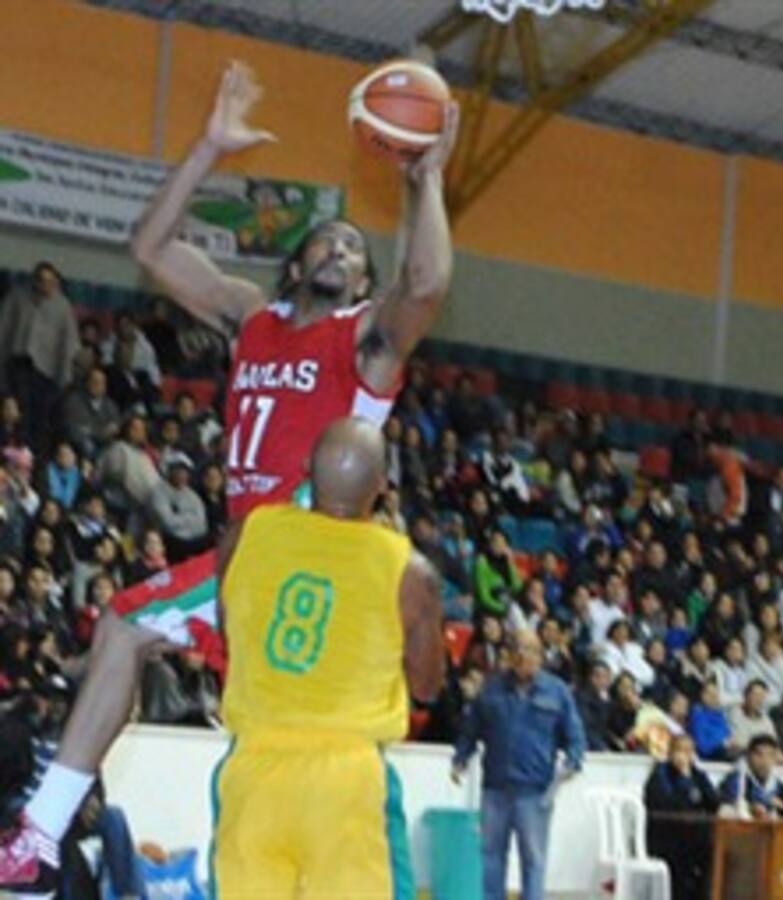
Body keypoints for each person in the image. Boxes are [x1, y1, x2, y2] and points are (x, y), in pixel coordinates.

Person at [0, 59, 459, 895]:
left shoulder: (365, 342)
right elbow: (148, 246)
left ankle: (39, 832)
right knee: (228, 721)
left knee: (126, 625)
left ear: (361, 283)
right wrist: (210, 146)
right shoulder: (253, 318)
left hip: (297, 555)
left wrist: (426, 181)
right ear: (296, 264)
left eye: (356, 248)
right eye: (330, 237)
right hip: (249, 564)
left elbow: (425, 282)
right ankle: (56, 833)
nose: (342, 247)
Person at [210, 418, 444, 896]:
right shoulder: (408, 570)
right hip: (348, 778)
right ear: (382, 486)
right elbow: (427, 686)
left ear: (306, 471)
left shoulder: (246, 534)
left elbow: (229, 628)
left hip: (253, 767)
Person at [451, 629, 586, 900]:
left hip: (535, 792)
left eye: (534, 650)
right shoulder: (491, 689)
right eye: (522, 650)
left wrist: (573, 761)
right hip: (495, 789)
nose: (528, 656)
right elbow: (471, 729)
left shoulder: (557, 692)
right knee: (491, 857)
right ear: (511, 655)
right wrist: (460, 758)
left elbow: (575, 735)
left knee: (533, 860)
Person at [0, 262, 81, 454]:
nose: (46, 285)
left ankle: (32, 459)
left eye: (51, 281)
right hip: (17, 365)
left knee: (40, 421)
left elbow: (68, 345)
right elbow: (3, 331)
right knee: (15, 416)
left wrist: (64, 379)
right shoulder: (17, 297)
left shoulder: (63, 306)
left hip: (46, 373)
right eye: (42, 280)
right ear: (34, 280)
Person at [643, 734, 719, 900]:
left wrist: (690, 778)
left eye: (688, 751)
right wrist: (684, 780)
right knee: (685, 859)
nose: (683, 756)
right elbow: (666, 802)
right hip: (665, 835)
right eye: (679, 750)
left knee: (713, 853)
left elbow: (713, 801)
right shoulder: (660, 773)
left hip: (692, 834)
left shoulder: (698, 774)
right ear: (670, 752)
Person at [718, 734, 783, 818]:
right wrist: (763, 802)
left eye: (770, 755)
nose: (764, 760)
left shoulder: (775, 779)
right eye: (759, 754)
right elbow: (735, 797)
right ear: (748, 755)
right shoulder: (737, 774)